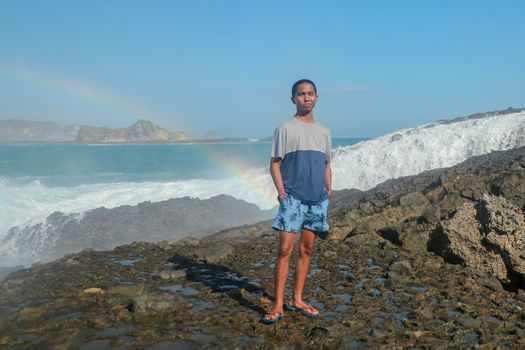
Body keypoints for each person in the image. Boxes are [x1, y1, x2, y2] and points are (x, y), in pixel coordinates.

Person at [260, 79, 332, 324]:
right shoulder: (285, 128)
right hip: (293, 199)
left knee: (307, 250)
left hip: (317, 200)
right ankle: (278, 304)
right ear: (293, 99)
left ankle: (297, 299)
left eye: (311, 94)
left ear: (317, 97)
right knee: (284, 251)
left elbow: (326, 163)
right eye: (301, 94)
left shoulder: (324, 131)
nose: (306, 98)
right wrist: (281, 193)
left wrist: (329, 189)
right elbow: (274, 163)